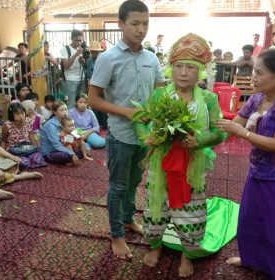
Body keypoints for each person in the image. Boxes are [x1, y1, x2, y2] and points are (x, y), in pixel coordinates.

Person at [136, 33, 237, 278]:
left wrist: (199, 141)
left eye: (190, 67)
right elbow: (139, 120)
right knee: (155, 208)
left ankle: (186, 253)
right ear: (171, 69)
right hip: (161, 164)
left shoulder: (209, 99)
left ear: (200, 71)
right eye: (178, 66)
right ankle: (156, 246)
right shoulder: (160, 95)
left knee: (191, 212)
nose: (183, 72)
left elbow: (220, 132)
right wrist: (145, 137)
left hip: (192, 166)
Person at [216, 49, 275, 279]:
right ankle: (253, 259)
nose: (253, 77)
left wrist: (243, 134)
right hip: (259, 170)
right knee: (252, 219)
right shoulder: (257, 99)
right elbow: (231, 126)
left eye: (259, 72)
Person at [88, 0, 165, 259]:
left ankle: (129, 219)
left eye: (145, 24)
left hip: (147, 136)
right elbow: (93, 99)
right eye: (135, 23)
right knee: (118, 186)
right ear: (121, 25)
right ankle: (117, 235)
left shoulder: (151, 58)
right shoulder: (108, 58)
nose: (141, 29)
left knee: (134, 183)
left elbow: (161, 91)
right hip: (121, 135)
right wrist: (127, 112)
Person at [40, 101, 81, 165]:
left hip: (62, 147)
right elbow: (56, 145)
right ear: (54, 112)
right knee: (66, 156)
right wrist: (72, 153)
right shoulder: (51, 125)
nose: (65, 112)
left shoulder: (65, 121)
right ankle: (71, 158)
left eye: (66, 109)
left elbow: (70, 137)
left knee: (81, 149)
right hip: (50, 152)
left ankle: (71, 157)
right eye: (62, 110)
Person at [60, 29, 87, 110]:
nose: (79, 43)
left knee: (81, 102)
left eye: (81, 41)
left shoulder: (82, 49)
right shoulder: (65, 49)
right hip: (71, 80)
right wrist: (76, 54)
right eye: (77, 40)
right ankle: (70, 122)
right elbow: (66, 65)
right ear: (71, 39)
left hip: (81, 79)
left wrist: (82, 61)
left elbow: (85, 65)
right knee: (72, 102)